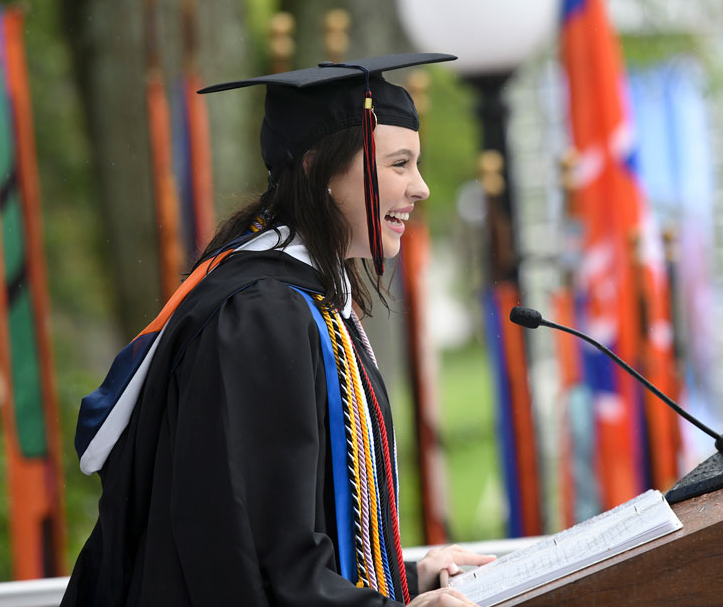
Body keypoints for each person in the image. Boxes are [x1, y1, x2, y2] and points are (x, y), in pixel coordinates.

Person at [62, 53, 494, 606]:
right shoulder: (262, 315)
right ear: (317, 169)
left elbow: (293, 543)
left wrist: (409, 581)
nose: (421, 188)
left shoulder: (298, 299)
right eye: (399, 164)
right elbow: (259, 560)